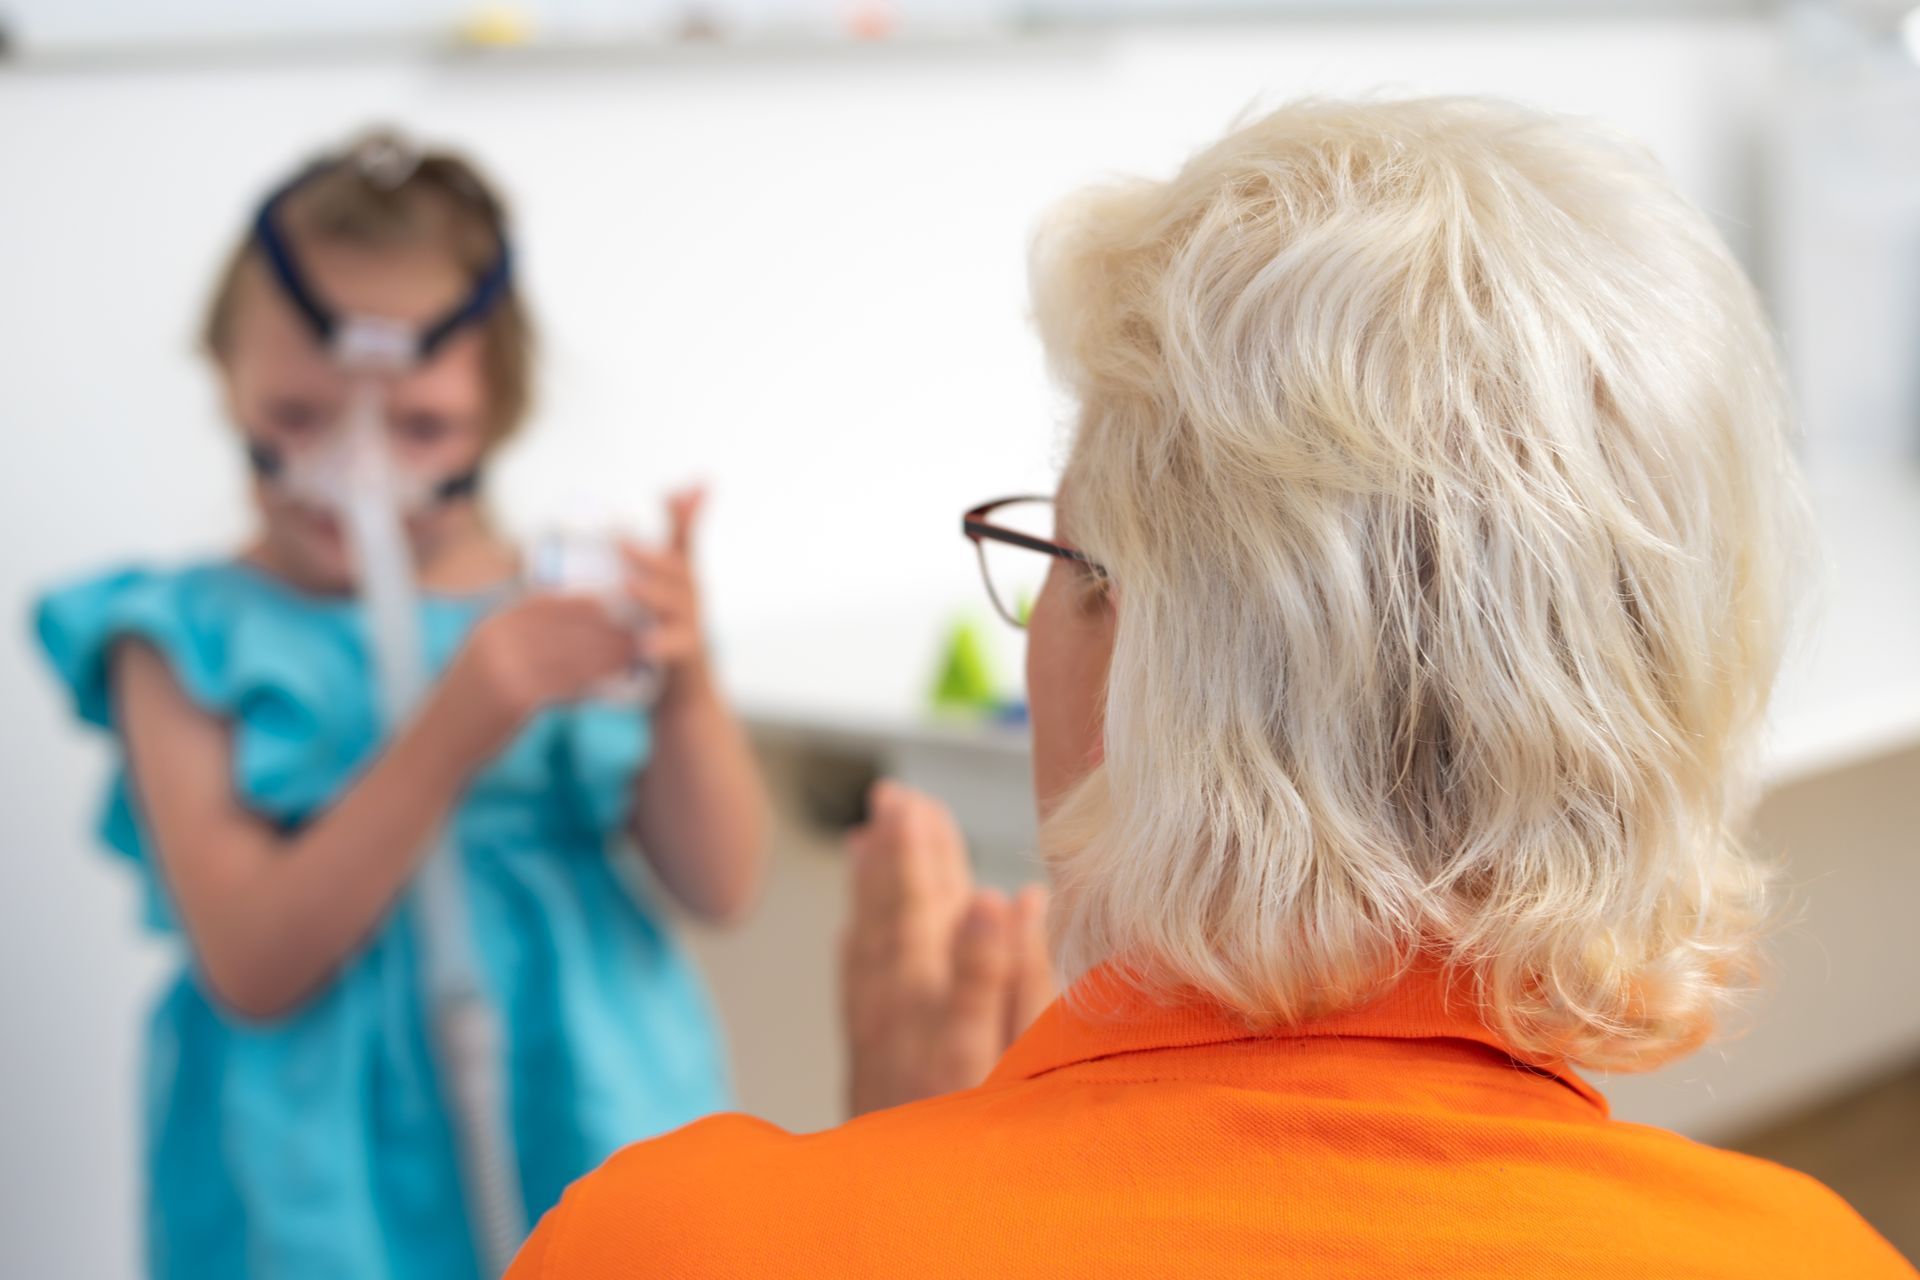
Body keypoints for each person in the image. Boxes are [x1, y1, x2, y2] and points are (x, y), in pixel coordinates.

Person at [506, 99, 1916, 1277]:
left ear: (1137, 655)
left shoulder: (663, 1246)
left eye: (1061, 559)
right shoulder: (1825, 1259)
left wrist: (888, 1183)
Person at [33, 131, 768, 1279]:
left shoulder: (568, 609)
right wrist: (460, 717)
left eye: (420, 426)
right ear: (226, 379)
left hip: (583, 1109)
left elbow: (721, 883)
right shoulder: (182, 642)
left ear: (498, 412)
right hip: (318, 1181)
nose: (354, 467)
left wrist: (685, 684)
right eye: (297, 414)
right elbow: (254, 962)